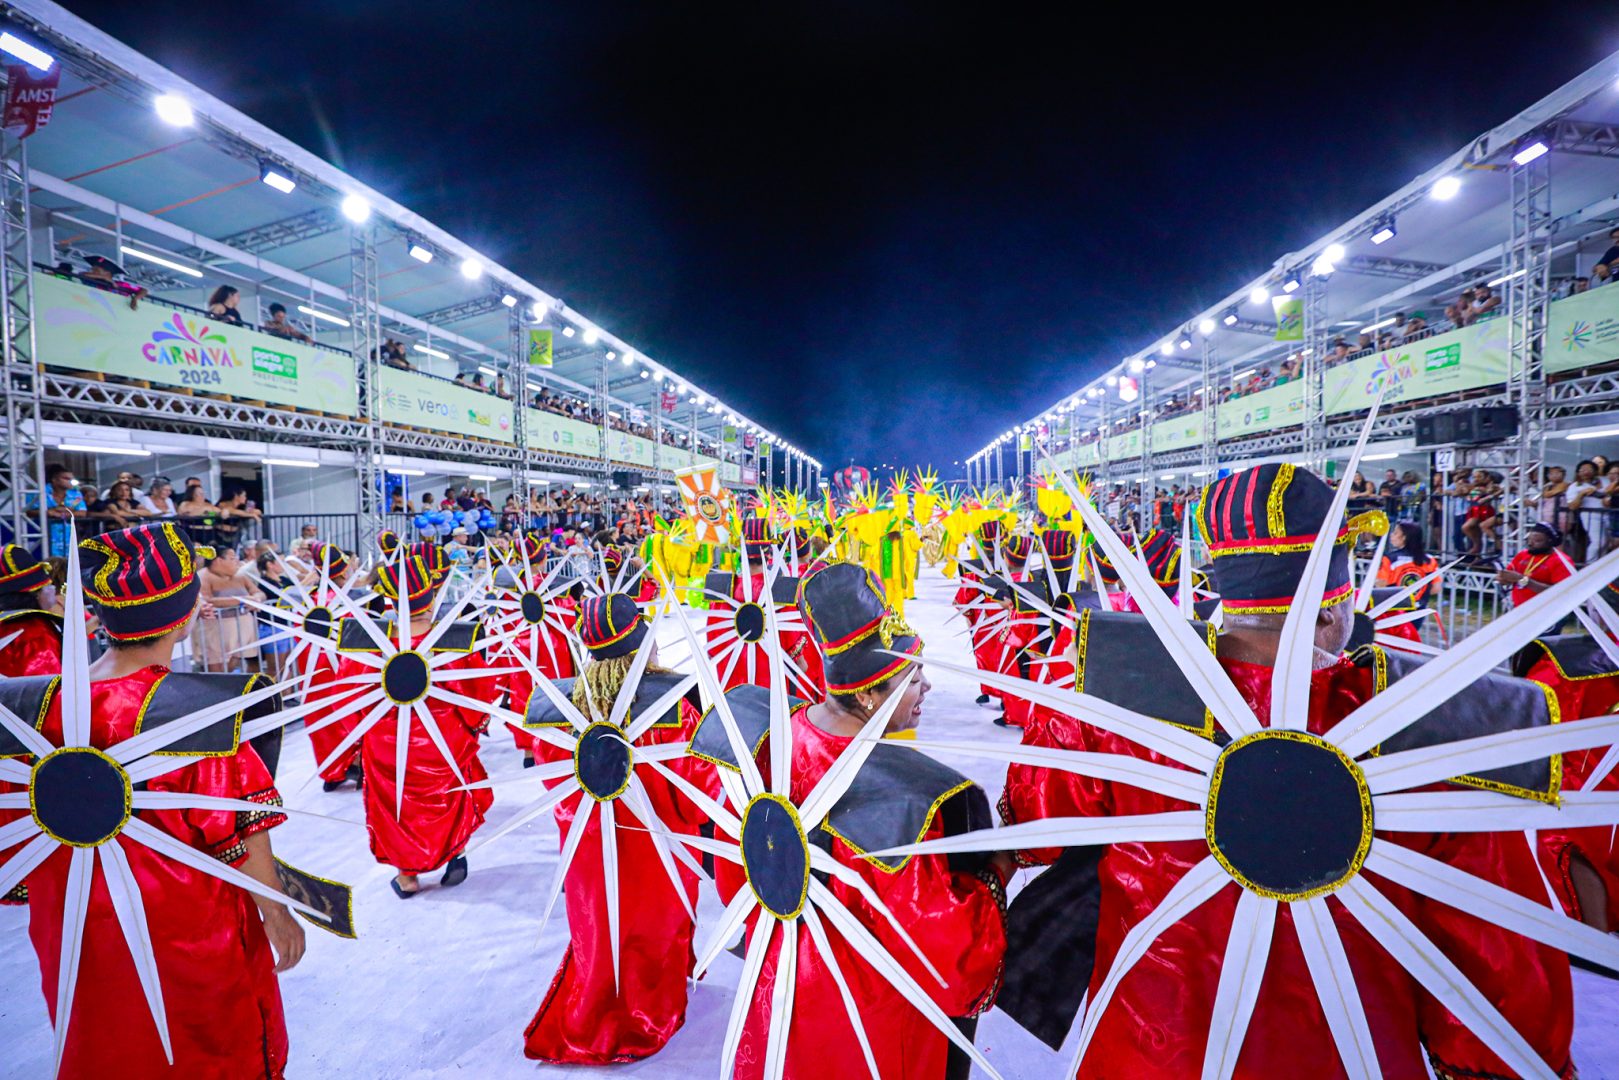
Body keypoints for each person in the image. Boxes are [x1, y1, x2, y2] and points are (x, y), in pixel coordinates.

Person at [1000, 463, 1573, 1079]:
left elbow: (1036, 826)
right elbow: (1493, 948)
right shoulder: (1432, 723)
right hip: (1352, 1048)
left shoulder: (1120, 693)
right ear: (1333, 606)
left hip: (1151, 1042)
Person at [0, 522, 304, 1076]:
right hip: (186, 928)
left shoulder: (31, 708)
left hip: (75, 927)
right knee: (207, 1044)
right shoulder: (196, 715)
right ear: (187, 614)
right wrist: (278, 914)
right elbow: (239, 830)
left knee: (104, 1038)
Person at [701, 560, 1009, 1079]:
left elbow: (738, 869)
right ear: (869, 693)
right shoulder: (909, 795)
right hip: (866, 1004)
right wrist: (998, 868)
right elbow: (948, 951)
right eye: (913, 678)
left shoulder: (773, 736)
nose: (928, 687)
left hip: (784, 974)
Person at [520, 592, 715, 1064]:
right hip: (656, 844)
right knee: (654, 926)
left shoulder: (560, 707)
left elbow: (554, 781)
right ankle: (648, 1013)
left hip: (589, 843)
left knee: (599, 926)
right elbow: (696, 784)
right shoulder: (671, 703)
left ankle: (596, 1007)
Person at [336, 554, 492, 897]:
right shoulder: (451, 639)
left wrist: (361, 737)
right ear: (432, 598)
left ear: (391, 601)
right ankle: (456, 855)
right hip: (442, 737)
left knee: (396, 806)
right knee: (449, 794)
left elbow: (349, 695)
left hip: (387, 740)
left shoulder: (368, 644)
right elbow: (476, 690)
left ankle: (406, 875)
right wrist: (476, 724)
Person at [196, 545, 264, 673]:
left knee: (234, 663)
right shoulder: (203, 576)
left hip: (242, 629)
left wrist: (257, 599)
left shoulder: (240, 575)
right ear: (219, 561)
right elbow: (206, 600)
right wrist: (243, 600)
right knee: (217, 672)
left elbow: (258, 593)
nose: (237, 561)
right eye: (232, 558)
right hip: (215, 629)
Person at [0, 544, 62, 677]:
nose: (52, 590)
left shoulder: (4, 624)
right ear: (35, 594)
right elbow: (47, 684)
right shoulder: (35, 632)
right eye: (47, 586)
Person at [1499, 521, 1576, 613]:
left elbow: (1560, 592)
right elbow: (1507, 578)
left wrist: (1523, 580)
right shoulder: (1523, 555)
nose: (1530, 544)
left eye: (1537, 541)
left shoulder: (1561, 561)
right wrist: (1503, 578)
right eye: (1529, 540)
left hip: (1546, 614)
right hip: (1518, 610)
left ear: (1550, 541)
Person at [35, 463, 87, 557]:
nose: (71, 481)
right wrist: (48, 512)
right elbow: (29, 511)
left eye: (72, 479)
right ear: (54, 480)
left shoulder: (76, 493)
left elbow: (82, 513)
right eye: (66, 478)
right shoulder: (41, 491)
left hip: (68, 536)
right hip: (44, 536)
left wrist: (60, 514)